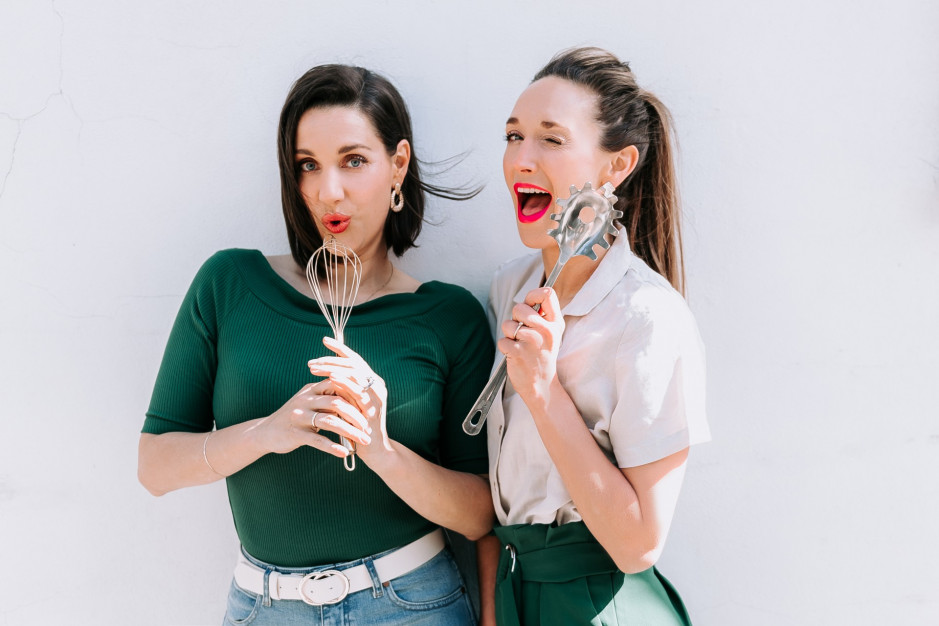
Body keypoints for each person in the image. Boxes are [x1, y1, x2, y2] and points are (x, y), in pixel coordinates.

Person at [138, 64, 496, 625]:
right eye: (308, 165)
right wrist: (267, 432)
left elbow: (479, 515)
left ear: (398, 164)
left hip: (410, 604)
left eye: (353, 160)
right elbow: (155, 466)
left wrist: (381, 449)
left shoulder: (448, 317)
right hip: (263, 608)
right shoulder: (231, 285)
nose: (329, 192)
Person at [481, 47, 711, 625]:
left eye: (551, 139)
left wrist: (543, 392)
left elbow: (638, 545)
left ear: (617, 166)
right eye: (514, 136)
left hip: (599, 607)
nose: (521, 159)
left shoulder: (648, 318)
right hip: (518, 595)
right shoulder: (509, 287)